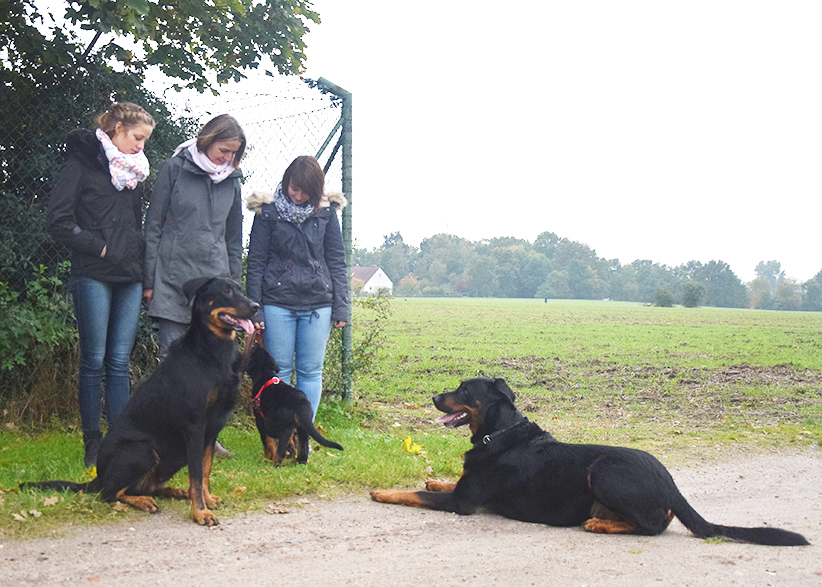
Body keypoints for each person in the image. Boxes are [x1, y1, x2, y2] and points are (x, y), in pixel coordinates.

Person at [45, 102, 156, 468]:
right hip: (92, 272)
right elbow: (57, 220)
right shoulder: (82, 165)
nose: (141, 146)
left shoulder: (133, 172)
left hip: (128, 275)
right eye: (137, 138)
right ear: (118, 128)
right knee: (94, 360)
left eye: (145, 140)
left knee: (120, 361)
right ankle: (92, 443)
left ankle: (120, 442)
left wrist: (138, 264)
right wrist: (99, 246)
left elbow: (135, 226)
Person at [143, 114, 246, 457]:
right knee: (172, 363)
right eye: (224, 149)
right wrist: (149, 278)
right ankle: (166, 436)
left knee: (214, 368)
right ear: (208, 139)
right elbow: (154, 225)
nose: (227, 158)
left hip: (214, 288)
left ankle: (207, 440)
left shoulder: (232, 182)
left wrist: (235, 287)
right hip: (172, 279)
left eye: (234, 153)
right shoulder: (174, 169)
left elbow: (233, 239)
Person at [246, 155, 350, 421]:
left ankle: (303, 434)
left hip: (319, 303)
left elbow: (336, 261)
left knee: (310, 371)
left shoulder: (326, 213)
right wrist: (255, 310)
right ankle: (278, 433)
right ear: (286, 181)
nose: (299, 195)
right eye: (294, 188)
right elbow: (256, 262)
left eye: (306, 191)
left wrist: (341, 307)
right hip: (276, 302)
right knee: (278, 373)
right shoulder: (267, 212)